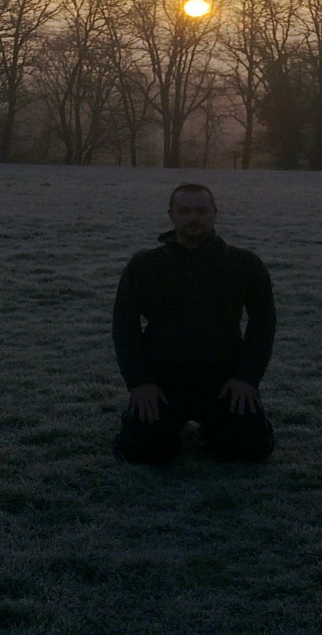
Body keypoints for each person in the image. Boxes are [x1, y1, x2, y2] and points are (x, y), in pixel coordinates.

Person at [111, 182, 276, 464]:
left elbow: (263, 324)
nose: (193, 218)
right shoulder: (144, 266)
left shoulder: (245, 264)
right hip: (162, 381)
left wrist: (246, 378)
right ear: (171, 215)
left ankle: (220, 428)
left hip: (224, 380)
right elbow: (124, 326)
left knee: (251, 450)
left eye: (201, 211)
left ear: (214, 213)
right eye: (184, 211)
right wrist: (140, 383)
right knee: (141, 453)